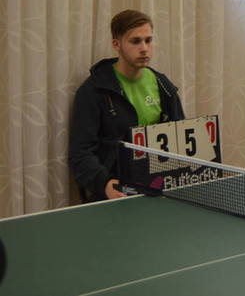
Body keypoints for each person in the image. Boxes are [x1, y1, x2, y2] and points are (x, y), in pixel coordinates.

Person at [69, 10, 185, 201]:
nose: (144, 48)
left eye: (148, 40)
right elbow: (80, 153)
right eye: (135, 41)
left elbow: (179, 135)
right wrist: (105, 183)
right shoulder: (93, 91)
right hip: (117, 189)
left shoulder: (163, 85)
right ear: (117, 44)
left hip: (159, 186)